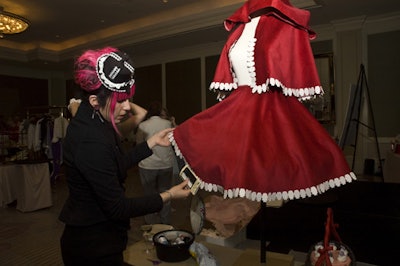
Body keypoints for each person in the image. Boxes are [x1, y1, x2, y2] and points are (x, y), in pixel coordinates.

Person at [169, 0, 356, 203]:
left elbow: (292, 66)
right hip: (238, 111)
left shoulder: (286, 25)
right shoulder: (238, 31)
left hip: (275, 112)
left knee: (277, 171)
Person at [59, 46, 191, 266]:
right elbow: (118, 207)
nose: (127, 106)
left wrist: (150, 143)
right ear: (94, 101)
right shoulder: (89, 140)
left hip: (104, 238)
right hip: (91, 245)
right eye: (120, 100)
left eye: (128, 98)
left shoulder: (96, 119)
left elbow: (115, 164)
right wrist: (168, 195)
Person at [136, 101, 175, 224]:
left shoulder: (143, 125)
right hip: (166, 164)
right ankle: (166, 223)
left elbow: (139, 144)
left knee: (149, 195)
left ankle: (151, 225)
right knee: (166, 193)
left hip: (148, 165)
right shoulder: (167, 123)